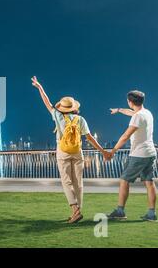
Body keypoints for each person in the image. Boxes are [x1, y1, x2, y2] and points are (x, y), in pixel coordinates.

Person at [31, 76, 109, 224]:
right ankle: (78, 210)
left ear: (62, 107)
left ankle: (75, 210)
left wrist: (39, 86)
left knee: (66, 181)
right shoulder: (81, 120)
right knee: (78, 183)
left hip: (63, 151)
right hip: (78, 152)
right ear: (74, 108)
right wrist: (103, 151)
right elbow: (90, 138)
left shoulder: (57, 115)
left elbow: (46, 102)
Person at [106, 90, 158, 222]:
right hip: (150, 153)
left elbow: (125, 136)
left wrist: (112, 151)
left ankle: (120, 211)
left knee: (124, 180)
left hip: (139, 154)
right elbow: (132, 113)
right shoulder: (147, 113)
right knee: (150, 183)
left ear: (130, 102)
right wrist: (118, 110)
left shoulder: (138, 116)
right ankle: (152, 214)